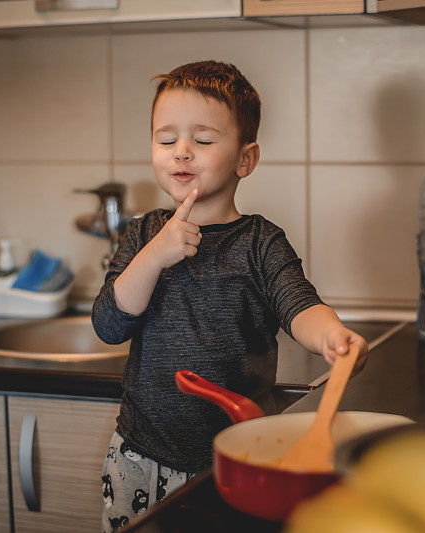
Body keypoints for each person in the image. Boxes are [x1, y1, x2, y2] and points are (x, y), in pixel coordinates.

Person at [92, 60, 368, 531]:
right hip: (138, 456)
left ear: (246, 159)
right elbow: (110, 325)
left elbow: (299, 304)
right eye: (165, 139)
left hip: (236, 457)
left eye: (201, 140)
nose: (181, 152)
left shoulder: (261, 242)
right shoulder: (143, 235)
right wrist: (155, 255)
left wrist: (332, 336)